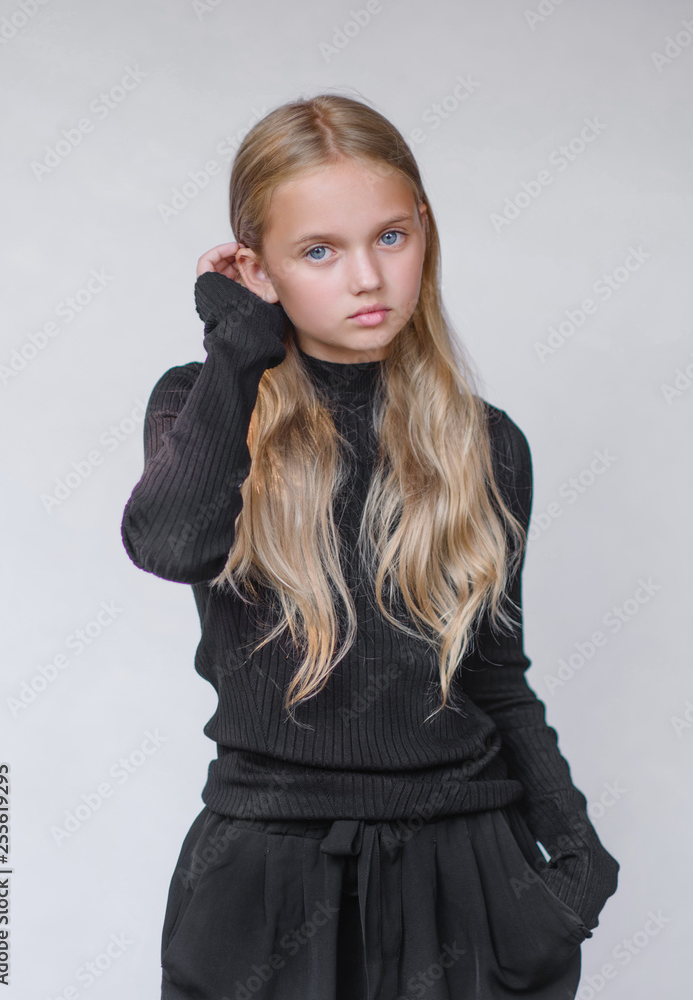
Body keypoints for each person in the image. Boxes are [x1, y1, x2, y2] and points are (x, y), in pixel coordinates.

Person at [120, 92, 620, 1000]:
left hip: (468, 869)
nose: (367, 278)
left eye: (391, 236)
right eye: (318, 251)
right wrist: (238, 346)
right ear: (256, 266)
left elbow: (494, 673)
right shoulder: (202, 404)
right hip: (263, 879)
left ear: (424, 230)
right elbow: (171, 544)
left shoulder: (484, 442)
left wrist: (576, 853)